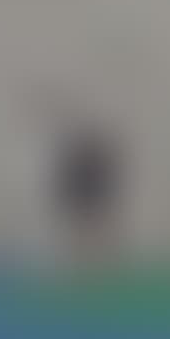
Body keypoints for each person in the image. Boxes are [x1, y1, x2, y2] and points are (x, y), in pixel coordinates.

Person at [52, 107, 126, 271]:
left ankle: (98, 264)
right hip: (84, 205)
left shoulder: (94, 160)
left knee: (92, 235)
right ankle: (86, 264)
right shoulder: (79, 160)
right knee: (84, 236)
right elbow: (69, 181)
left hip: (91, 205)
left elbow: (103, 181)